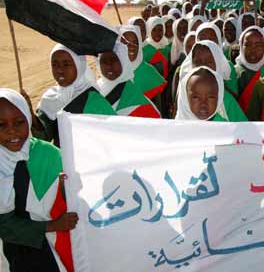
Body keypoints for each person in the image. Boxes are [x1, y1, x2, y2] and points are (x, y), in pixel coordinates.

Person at [0, 88, 78, 272]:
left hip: (54, 250)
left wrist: (64, 187)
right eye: (1, 125)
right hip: (15, 254)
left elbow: (73, 195)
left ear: (28, 119)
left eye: (19, 122)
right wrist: (50, 225)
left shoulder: (48, 153)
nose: (11, 130)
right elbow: (5, 226)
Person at [32, 44, 116, 147]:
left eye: (66, 64)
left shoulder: (93, 100)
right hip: (63, 161)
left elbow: (112, 138)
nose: (60, 70)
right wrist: (31, 117)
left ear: (79, 65)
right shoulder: (50, 98)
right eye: (55, 64)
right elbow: (44, 137)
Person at [178, 41, 247, 121]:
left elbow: (243, 128)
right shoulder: (184, 94)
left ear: (218, 64)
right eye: (198, 62)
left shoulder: (226, 99)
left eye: (209, 62)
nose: (203, 65)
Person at [97, 43, 161, 118]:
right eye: (103, 61)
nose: (108, 65)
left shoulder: (139, 102)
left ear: (123, 61)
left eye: (113, 59)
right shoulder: (96, 89)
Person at [235, 26, 264, 112]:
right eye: (248, 45)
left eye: (258, 45)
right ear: (241, 46)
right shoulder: (233, 73)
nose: (253, 49)